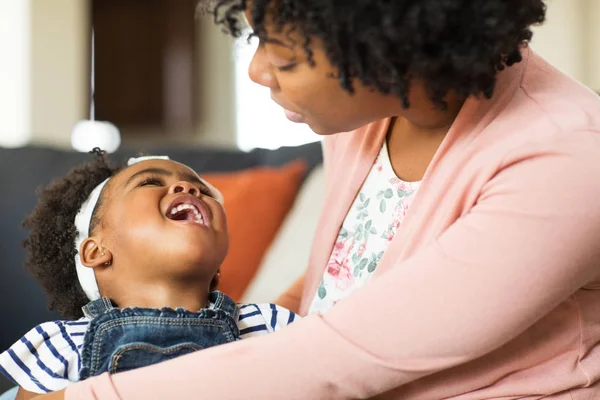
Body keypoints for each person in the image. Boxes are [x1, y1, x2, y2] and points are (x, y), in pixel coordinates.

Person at [30, 0, 600, 398]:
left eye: (285, 57)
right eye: (258, 40)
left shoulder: (567, 159)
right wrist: (261, 319)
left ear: (389, 50)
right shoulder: (368, 113)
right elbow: (356, 269)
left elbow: (343, 356)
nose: (257, 72)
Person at [0, 150, 296, 399]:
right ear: (95, 251)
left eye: (203, 190)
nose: (189, 189)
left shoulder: (269, 324)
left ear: (216, 268)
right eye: (150, 182)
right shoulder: (62, 342)